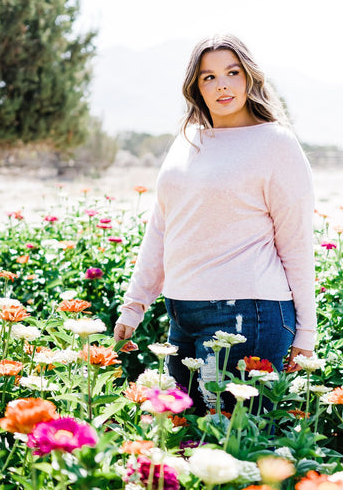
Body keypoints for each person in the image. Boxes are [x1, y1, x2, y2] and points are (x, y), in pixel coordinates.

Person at [113, 34, 316, 412]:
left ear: (250, 78)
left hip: (248, 313)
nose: (221, 84)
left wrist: (307, 330)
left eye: (232, 72)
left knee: (236, 444)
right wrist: (135, 303)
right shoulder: (187, 139)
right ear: (196, 87)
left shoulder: (276, 144)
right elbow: (161, 226)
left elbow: (296, 241)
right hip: (182, 312)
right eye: (208, 77)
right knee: (185, 441)